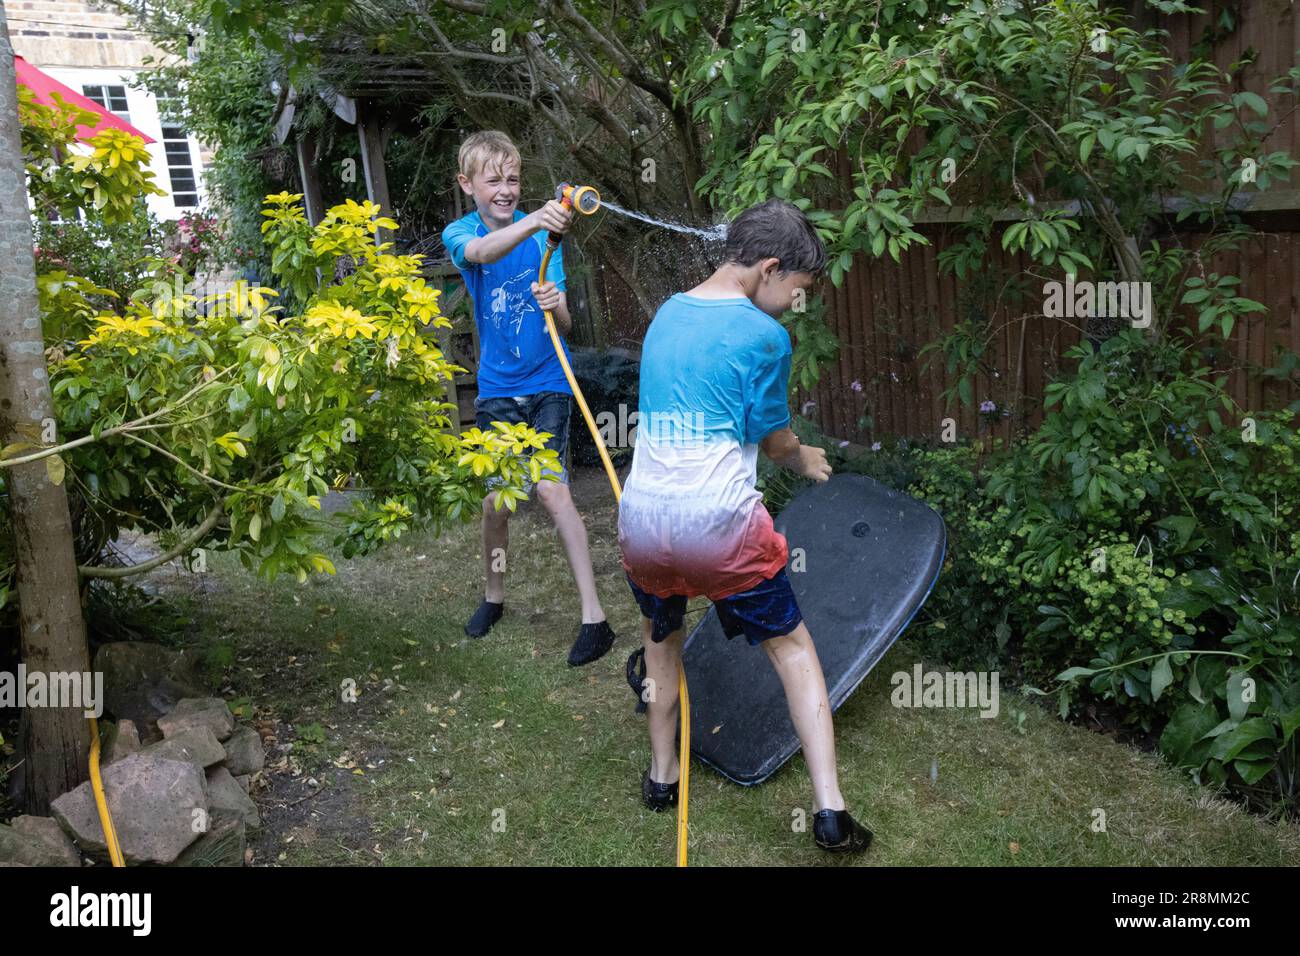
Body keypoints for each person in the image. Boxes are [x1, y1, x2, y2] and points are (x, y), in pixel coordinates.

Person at [617, 198, 872, 852]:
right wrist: (804, 455)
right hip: (718, 530)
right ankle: (831, 813)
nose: (795, 303)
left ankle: (660, 777)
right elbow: (776, 438)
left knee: (659, 636)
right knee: (791, 648)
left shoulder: (667, 314)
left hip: (643, 524)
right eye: (798, 290)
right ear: (767, 268)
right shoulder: (765, 337)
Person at [440, 130, 616, 667]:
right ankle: (494, 597)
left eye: (512, 179)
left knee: (550, 490)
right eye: (492, 180)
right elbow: (479, 252)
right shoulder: (463, 233)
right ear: (467, 184)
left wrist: (555, 301)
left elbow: (564, 325)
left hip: (548, 382)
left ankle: (595, 618)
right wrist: (535, 220)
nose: (505, 189)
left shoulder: (545, 243)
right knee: (497, 501)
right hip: (497, 387)